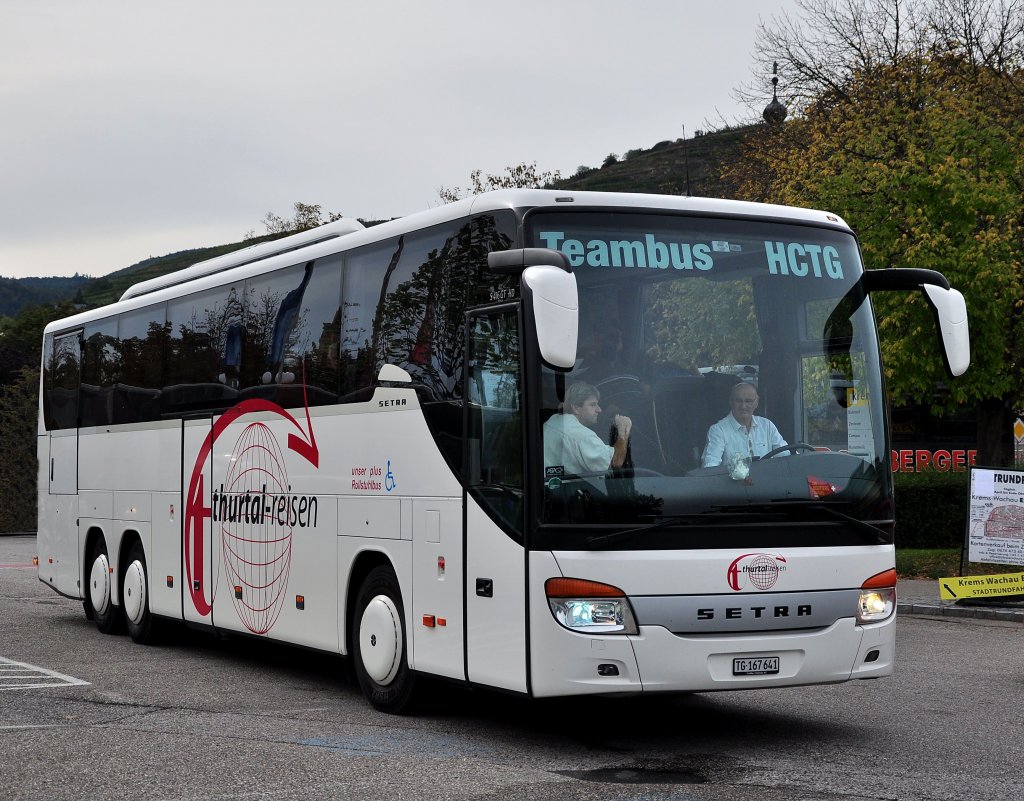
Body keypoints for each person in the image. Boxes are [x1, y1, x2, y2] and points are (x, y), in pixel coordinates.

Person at [544, 382, 632, 475]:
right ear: (576, 408)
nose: (599, 410)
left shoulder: (554, 420)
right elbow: (615, 463)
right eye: (593, 405)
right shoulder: (580, 434)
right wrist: (623, 431)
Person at [702, 381, 787, 467]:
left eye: (748, 401)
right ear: (731, 402)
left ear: (756, 403)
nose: (743, 406)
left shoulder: (767, 426)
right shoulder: (718, 431)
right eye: (738, 401)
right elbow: (710, 466)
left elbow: (785, 454)